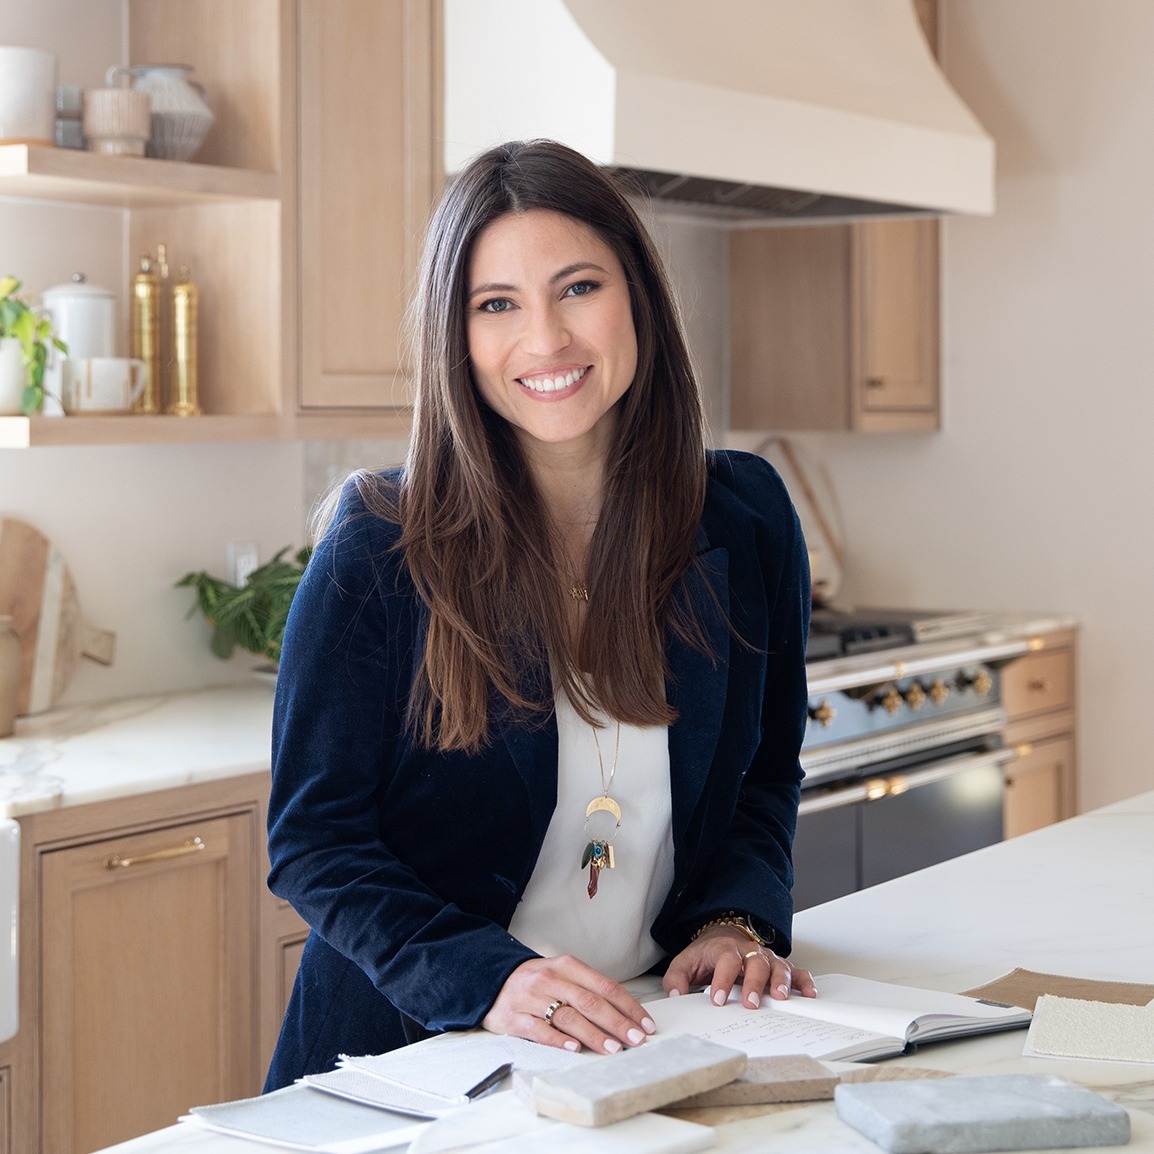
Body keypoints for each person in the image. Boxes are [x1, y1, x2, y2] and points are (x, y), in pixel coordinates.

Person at [264, 138, 815, 1091]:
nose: (547, 340)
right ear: (457, 336)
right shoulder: (381, 545)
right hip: (419, 1056)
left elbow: (763, 776)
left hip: (651, 1040)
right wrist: (494, 980)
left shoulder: (747, 514)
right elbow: (315, 840)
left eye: (578, 288)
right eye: (497, 305)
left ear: (636, 295)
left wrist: (737, 919)